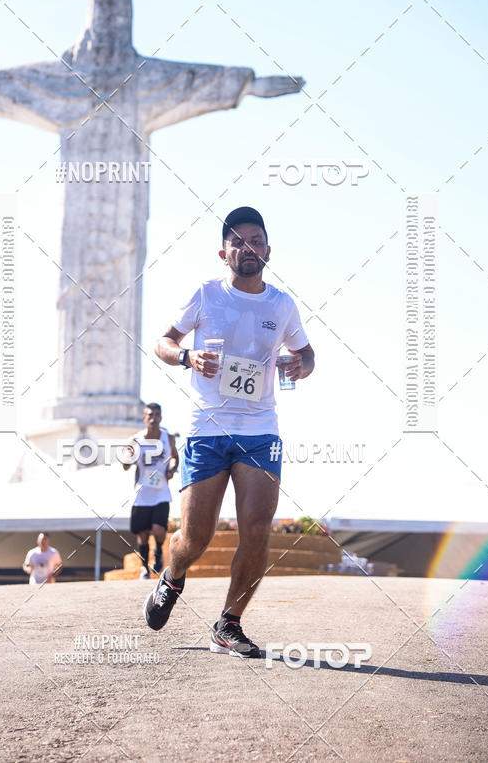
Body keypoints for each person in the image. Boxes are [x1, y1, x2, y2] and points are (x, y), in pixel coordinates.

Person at [144, 206, 315, 657]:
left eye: (255, 240)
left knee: (257, 530)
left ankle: (229, 623)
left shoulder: (282, 304)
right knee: (194, 538)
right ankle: (172, 575)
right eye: (237, 241)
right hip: (207, 429)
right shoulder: (205, 294)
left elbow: (308, 353)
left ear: (267, 251)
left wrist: (302, 364)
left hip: (260, 431)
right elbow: (163, 341)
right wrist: (187, 358)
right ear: (224, 253)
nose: (247, 247)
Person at [123, 403, 179, 579]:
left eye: (156, 415)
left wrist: (172, 469)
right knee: (143, 534)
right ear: (144, 418)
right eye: (150, 415)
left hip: (161, 493)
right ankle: (144, 568)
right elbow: (125, 464)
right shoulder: (136, 439)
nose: (153, 419)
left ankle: (158, 554)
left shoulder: (168, 438)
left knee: (159, 529)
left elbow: (175, 458)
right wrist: (128, 456)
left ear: (161, 418)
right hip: (142, 494)